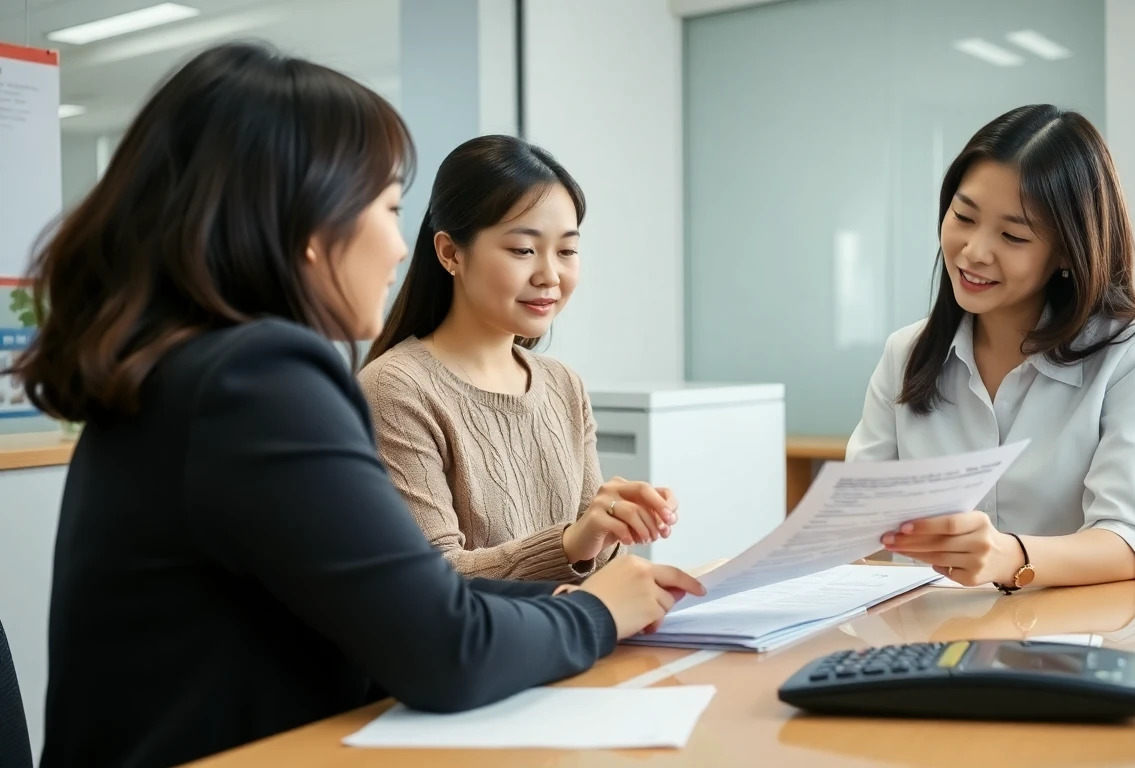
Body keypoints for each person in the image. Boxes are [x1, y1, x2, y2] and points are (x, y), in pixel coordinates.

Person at [11, 43, 702, 768]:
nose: (396, 247)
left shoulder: (188, 368)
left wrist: (573, 591)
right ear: (308, 222)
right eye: (386, 208)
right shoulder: (257, 378)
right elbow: (444, 647)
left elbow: (417, 599)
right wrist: (596, 611)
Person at [847, 104, 1135, 591]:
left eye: (1012, 235)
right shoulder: (906, 353)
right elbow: (856, 526)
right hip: (925, 636)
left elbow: (1126, 540)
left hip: (1068, 638)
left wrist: (1010, 556)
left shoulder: (1132, 352)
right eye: (963, 216)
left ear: (1068, 251)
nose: (974, 251)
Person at [360, 136, 677, 582]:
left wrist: (612, 529)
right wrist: (571, 541)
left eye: (567, 250)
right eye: (523, 250)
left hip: (572, 642)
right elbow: (431, 582)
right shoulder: (395, 387)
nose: (550, 275)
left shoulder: (564, 384)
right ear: (450, 253)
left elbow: (594, 569)